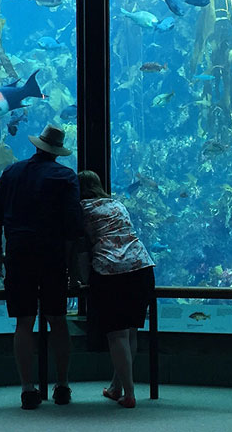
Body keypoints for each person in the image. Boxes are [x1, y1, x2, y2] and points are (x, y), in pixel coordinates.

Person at [0, 124, 83, 410]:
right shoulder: (65, 176)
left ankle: (28, 389)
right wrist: (73, 268)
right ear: (57, 151)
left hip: (18, 254)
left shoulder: (12, 172)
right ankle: (63, 385)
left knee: (24, 322)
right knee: (57, 319)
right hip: (52, 256)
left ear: (37, 146)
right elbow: (73, 226)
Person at [78, 169, 155, 409]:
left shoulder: (81, 209)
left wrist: (83, 279)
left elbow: (81, 249)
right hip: (142, 267)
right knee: (130, 331)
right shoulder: (117, 204)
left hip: (112, 271)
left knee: (117, 335)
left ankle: (129, 393)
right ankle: (117, 387)